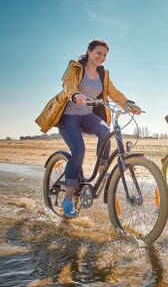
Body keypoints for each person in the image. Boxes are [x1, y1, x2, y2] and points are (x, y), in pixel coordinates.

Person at [36, 39, 141, 218]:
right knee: (79, 150)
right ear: (89, 52)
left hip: (86, 116)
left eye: (105, 55)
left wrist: (128, 103)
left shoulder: (103, 73)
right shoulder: (76, 67)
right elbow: (68, 83)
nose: (101, 57)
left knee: (105, 131)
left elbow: (114, 93)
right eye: (98, 53)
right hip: (69, 117)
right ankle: (68, 199)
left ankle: (102, 170)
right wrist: (75, 94)